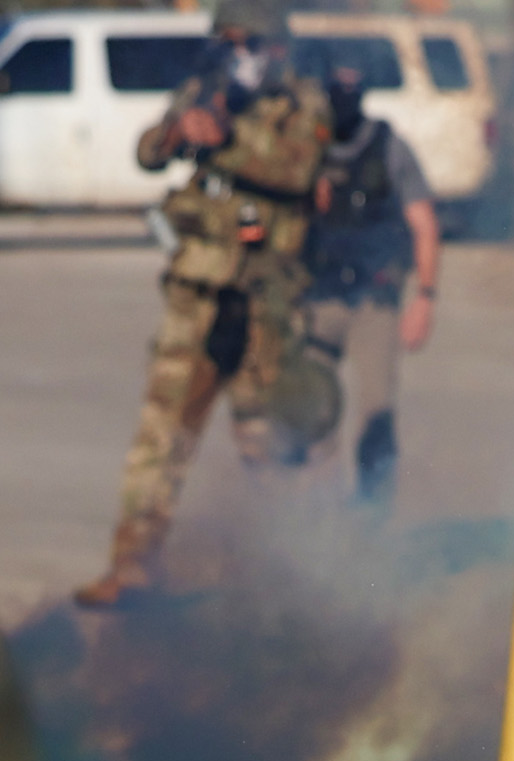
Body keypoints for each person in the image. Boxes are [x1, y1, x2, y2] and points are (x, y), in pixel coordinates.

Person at [75, 0, 331, 608]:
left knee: (265, 439)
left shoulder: (303, 102)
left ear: (274, 48)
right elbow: (147, 153)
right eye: (227, 42)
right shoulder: (203, 90)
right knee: (162, 431)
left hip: (265, 300)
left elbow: (296, 172)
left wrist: (226, 139)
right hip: (198, 292)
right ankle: (133, 563)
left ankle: (292, 577)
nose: (235, 55)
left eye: (247, 44)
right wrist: (177, 130)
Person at [297, 44, 440, 508]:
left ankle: (372, 525)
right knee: (312, 414)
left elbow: (424, 224)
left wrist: (425, 298)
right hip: (316, 299)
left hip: (373, 303)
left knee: (376, 416)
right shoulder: (303, 148)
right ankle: (321, 525)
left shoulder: (389, 147)